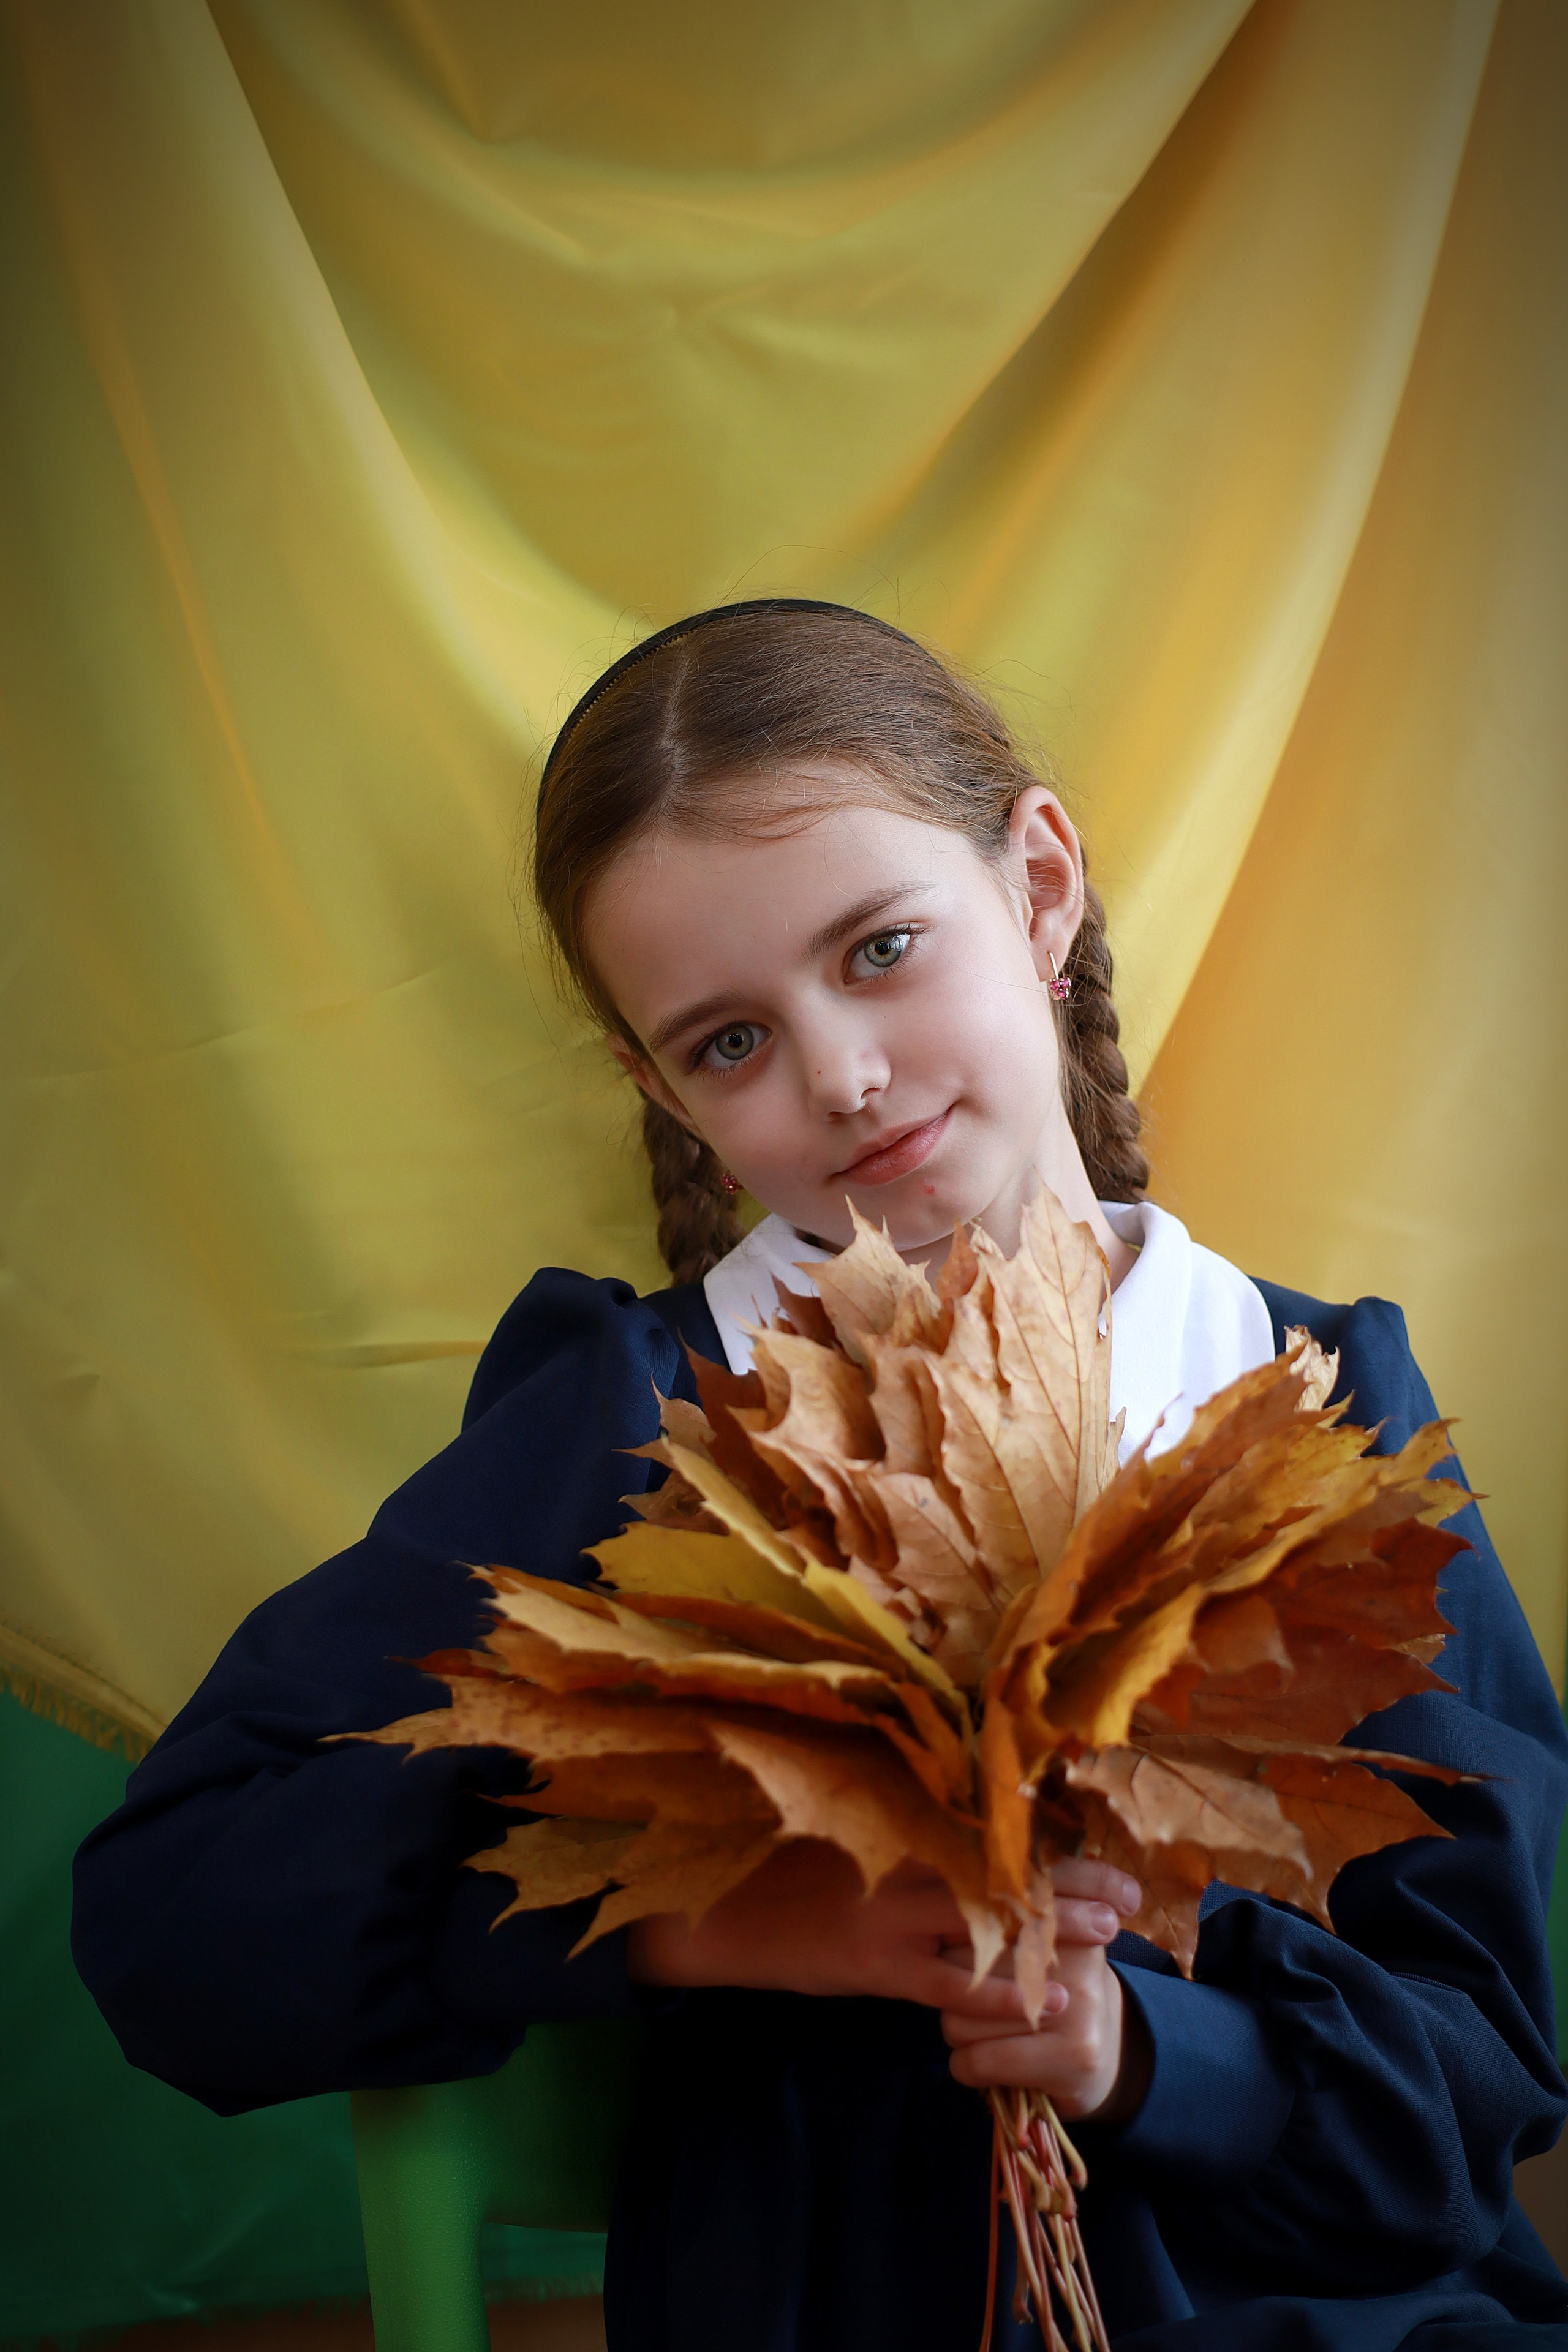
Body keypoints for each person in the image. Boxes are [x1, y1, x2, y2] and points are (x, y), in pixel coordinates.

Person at [74, 602, 1568, 2351]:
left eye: (879, 950)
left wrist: (1145, 2049)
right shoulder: (647, 1420)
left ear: (1038, 887)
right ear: (662, 1089)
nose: (842, 1079)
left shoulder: (1315, 1409)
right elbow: (174, 1917)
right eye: (730, 1042)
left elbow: (1476, 2084)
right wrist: (706, 1916)